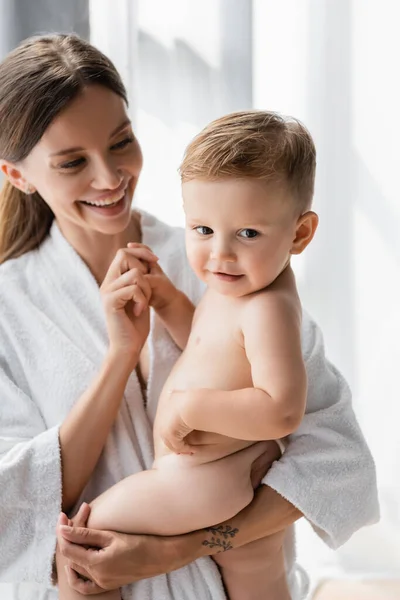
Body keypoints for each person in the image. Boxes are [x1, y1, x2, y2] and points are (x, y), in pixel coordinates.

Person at [0, 33, 378, 600]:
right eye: (74, 161)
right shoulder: (9, 307)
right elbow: (18, 504)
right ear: (18, 176)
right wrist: (120, 355)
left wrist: (178, 550)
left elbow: (335, 453)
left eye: (121, 142)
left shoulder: (227, 260)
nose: (109, 178)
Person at [55, 109, 319, 600]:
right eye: (201, 230)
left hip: (202, 475)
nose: (220, 254)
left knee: (87, 543)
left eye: (248, 234)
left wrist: (190, 408)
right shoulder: (241, 283)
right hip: (223, 471)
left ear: (300, 234)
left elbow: (283, 409)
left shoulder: (269, 307)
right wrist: (171, 301)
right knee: (258, 575)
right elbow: (209, 345)